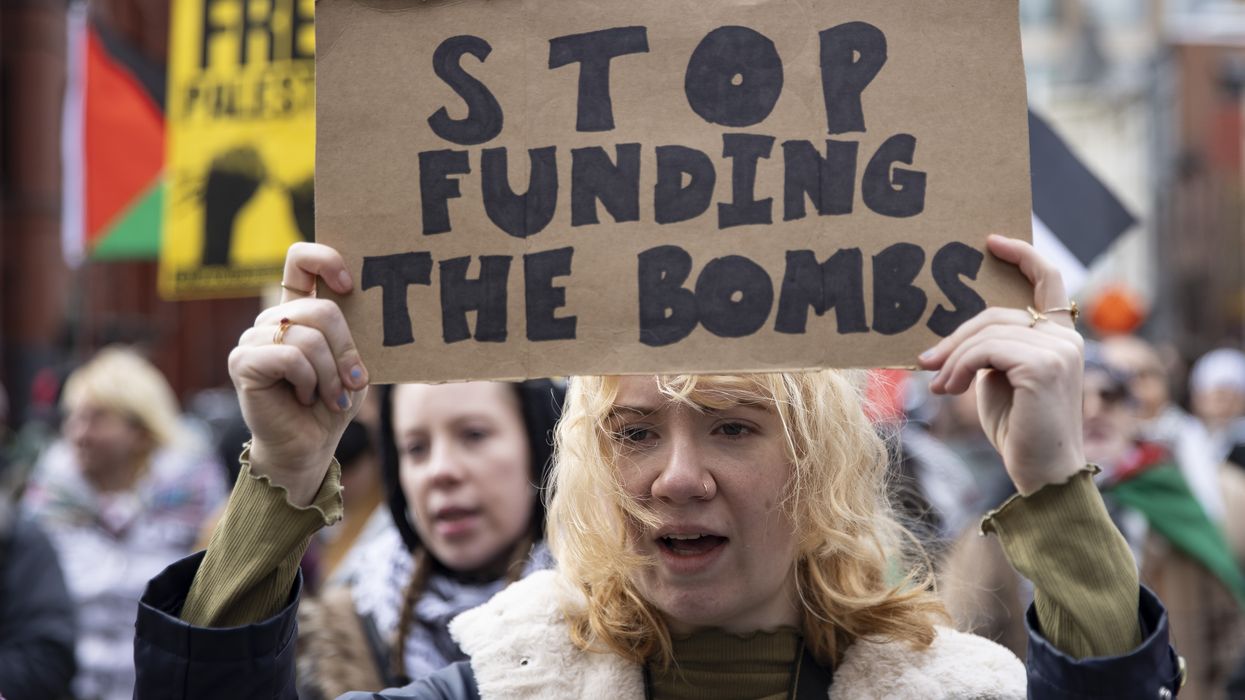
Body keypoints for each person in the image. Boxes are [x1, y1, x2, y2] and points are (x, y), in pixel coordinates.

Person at [134, 238, 1183, 699]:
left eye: (732, 427)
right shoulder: (493, 689)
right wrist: (281, 478)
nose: (677, 477)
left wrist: (1052, 480)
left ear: (819, 464)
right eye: (635, 431)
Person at [294, 380, 563, 698]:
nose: (440, 471)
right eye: (416, 448)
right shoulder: (343, 637)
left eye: (474, 435)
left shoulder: (606, 617)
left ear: (542, 443)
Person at [23, 347, 227, 700]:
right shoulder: (48, 501)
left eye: (96, 418)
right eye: (73, 417)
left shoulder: (196, 501)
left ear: (141, 430)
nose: (78, 433)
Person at [1084, 348, 1245, 700]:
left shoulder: (1174, 493)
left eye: (1110, 396)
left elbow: (1228, 626)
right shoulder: (1023, 508)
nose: (1093, 410)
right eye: (1076, 399)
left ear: (1132, 411)